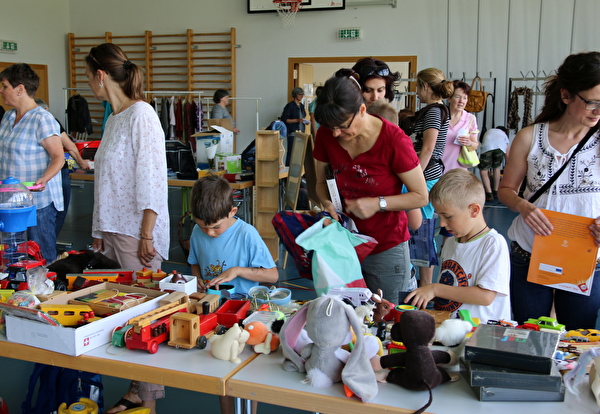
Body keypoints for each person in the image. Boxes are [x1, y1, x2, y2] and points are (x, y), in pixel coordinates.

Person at [85, 43, 169, 414]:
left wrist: (148, 234)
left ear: (100, 76)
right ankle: (136, 390)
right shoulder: (115, 117)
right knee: (121, 316)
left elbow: (152, 179)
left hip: (137, 234)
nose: (89, 84)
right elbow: (106, 179)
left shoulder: (142, 114)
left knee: (142, 317)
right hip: (113, 231)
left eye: (89, 77)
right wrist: (98, 229)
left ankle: (147, 402)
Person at [498, 51, 600, 331]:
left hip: (586, 257)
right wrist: (523, 206)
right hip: (531, 253)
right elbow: (506, 190)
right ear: (566, 95)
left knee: (578, 338)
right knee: (530, 335)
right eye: (592, 102)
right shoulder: (530, 137)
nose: (598, 111)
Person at [313, 71, 428, 304]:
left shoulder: (394, 140)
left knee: (385, 313)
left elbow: (421, 196)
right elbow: (320, 183)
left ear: (362, 110)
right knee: (341, 313)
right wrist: (326, 204)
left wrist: (378, 203)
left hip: (385, 245)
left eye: (343, 127)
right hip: (343, 243)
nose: (336, 134)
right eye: (330, 127)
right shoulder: (328, 133)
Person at [188, 174, 278, 414]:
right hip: (214, 308)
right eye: (203, 226)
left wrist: (237, 271)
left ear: (232, 211)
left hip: (245, 311)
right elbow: (195, 262)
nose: (209, 233)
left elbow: (272, 276)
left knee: (245, 373)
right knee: (220, 367)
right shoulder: (198, 231)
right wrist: (196, 278)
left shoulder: (246, 234)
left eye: (216, 227)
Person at [405, 169, 511, 323]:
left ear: (474, 210)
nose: (442, 223)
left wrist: (435, 289)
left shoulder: (492, 244)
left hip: (480, 334)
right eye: (439, 216)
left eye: (447, 216)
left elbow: (486, 296)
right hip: (451, 329)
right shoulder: (451, 244)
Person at [0, 63, 64, 264]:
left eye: (4, 86)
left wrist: (44, 179)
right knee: (13, 258)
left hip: (38, 203)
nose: (1, 91)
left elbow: (58, 157)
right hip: (11, 202)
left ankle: (48, 294)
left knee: (41, 258)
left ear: (20, 89)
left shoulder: (42, 119)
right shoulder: (8, 116)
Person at [412, 68, 454, 286]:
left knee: (423, 228)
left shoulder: (434, 112)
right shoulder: (435, 110)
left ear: (425, 87)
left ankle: (426, 286)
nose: (417, 93)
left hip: (425, 176)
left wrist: (415, 177)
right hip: (425, 174)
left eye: (418, 88)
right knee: (420, 227)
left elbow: (427, 148)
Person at [34, 98, 92, 237]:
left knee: (60, 210)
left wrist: (80, 161)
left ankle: (51, 239)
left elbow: (69, 146)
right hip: (45, 174)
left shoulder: (50, 121)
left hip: (60, 170)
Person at [441, 80, 479, 172]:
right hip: (437, 169)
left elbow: (475, 144)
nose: (462, 101)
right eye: (458, 97)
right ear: (449, 98)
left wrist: (469, 143)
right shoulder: (440, 116)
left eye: (465, 98)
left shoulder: (470, 119)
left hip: (458, 170)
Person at [478, 126, 510, 201]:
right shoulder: (503, 135)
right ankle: (496, 191)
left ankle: (489, 193)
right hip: (499, 148)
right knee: (497, 167)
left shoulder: (489, 131)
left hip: (487, 147)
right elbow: (507, 153)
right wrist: (508, 164)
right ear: (505, 132)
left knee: (483, 171)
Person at [280, 86, 308, 166]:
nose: (301, 96)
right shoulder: (290, 106)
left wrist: (304, 121)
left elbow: (302, 117)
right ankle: (288, 170)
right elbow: (285, 119)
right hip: (293, 132)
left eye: (302, 94)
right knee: (291, 152)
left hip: (301, 131)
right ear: (295, 95)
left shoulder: (301, 106)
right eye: (300, 94)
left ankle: (298, 172)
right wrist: (297, 120)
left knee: (299, 153)